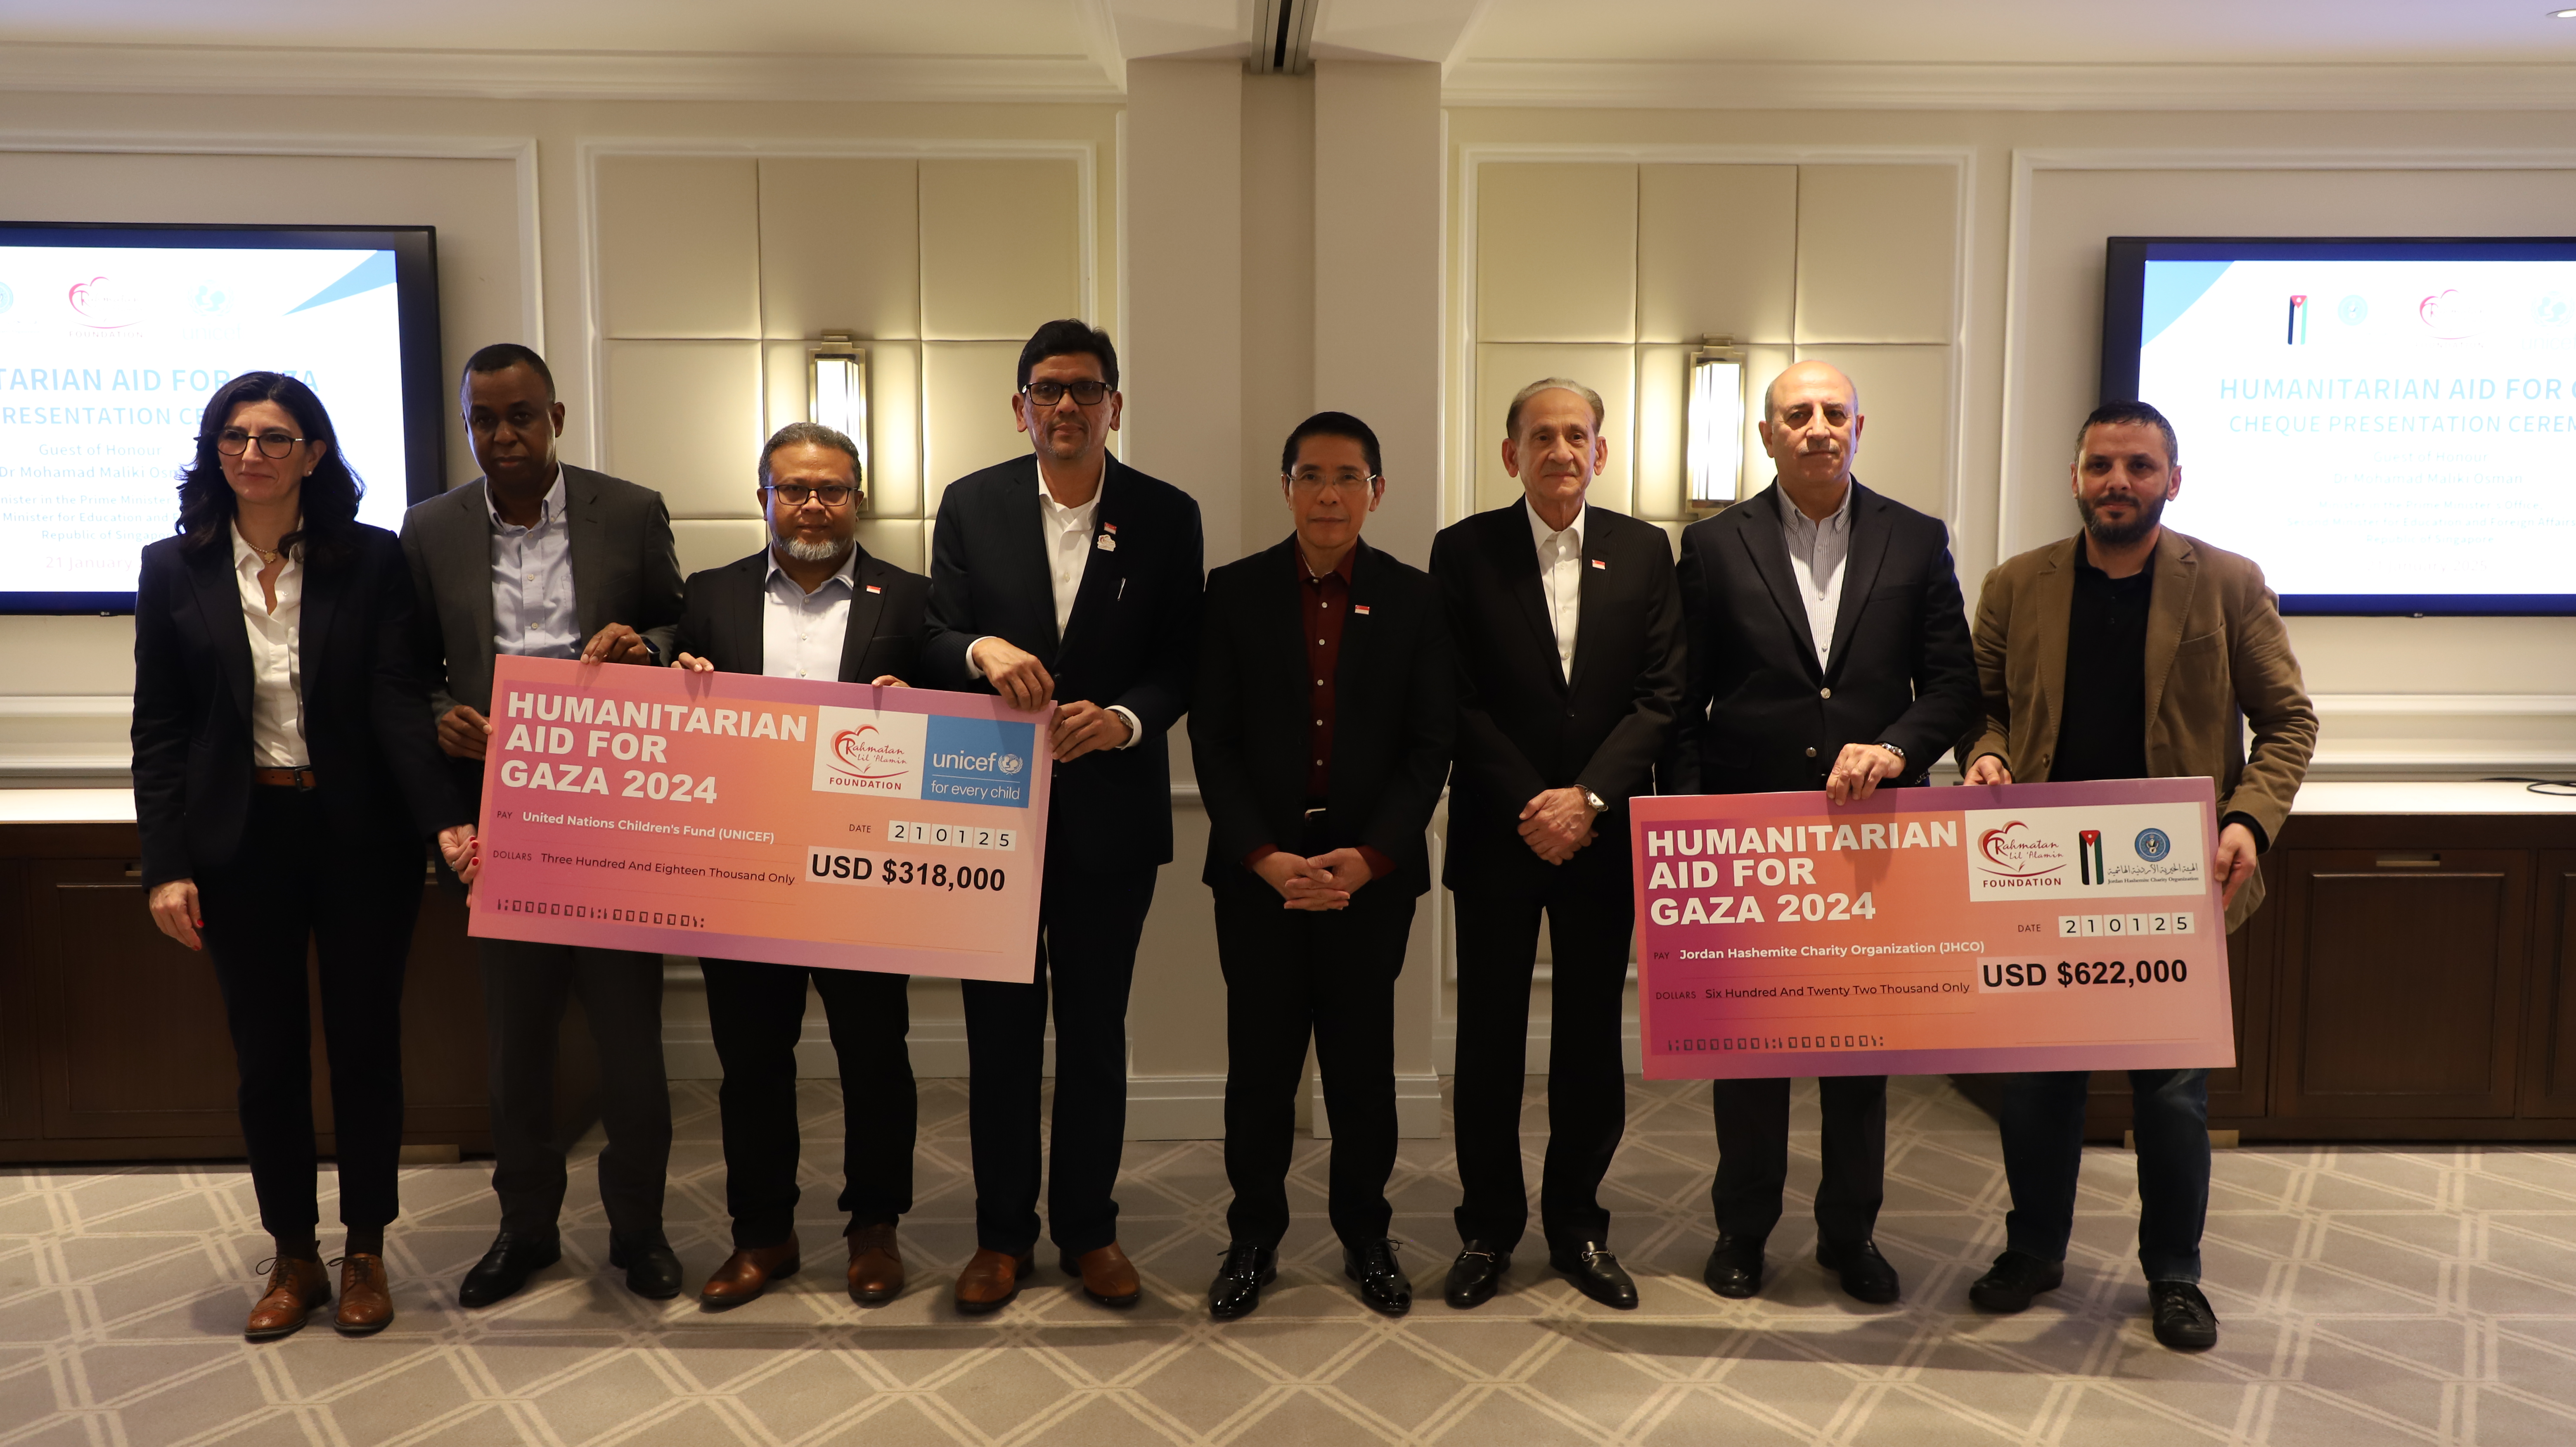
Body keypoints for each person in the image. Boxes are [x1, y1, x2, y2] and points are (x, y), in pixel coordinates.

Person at [1959, 399, 2315, 1351]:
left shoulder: (2228, 583)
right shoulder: (2016, 585)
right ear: (2076, 478)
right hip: (2041, 879)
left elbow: (2289, 722)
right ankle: (2034, 1250)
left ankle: (2175, 1275)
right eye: (2101, 466)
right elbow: (1983, 707)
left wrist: (2248, 820)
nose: (2118, 482)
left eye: (2140, 466)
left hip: (2170, 881)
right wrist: (1987, 755)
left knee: (2169, 1098)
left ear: (2173, 480)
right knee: (2039, 1090)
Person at [133, 372, 478, 1340]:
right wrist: (166, 863)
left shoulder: (369, 560)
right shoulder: (173, 569)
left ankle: (365, 1248)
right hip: (241, 841)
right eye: (234, 436)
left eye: (275, 437)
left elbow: (396, 698)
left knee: (366, 1046)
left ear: (313, 454)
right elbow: (160, 728)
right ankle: (293, 1254)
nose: (252, 453)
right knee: (266, 1058)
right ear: (215, 452)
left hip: (358, 836)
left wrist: (443, 820)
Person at [1666, 360, 1979, 1307]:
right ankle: (1743, 1230)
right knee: (1749, 1056)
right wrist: (1690, 828)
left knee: (1858, 1054)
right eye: (1796, 414)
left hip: (1872, 839)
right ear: (1767, 435)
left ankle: (1852, 1234)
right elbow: (1682, 704)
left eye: (1833, 412)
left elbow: (1954, 687)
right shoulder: (1712, 546)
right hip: (1747, 842)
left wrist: (1894, 747)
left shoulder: (1917, 538)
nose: (1817, 427)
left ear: (1858, 428)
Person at [921, 319, 1203, 1313]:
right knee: (999, 1037)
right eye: (1048, 390)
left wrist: (1124, 721)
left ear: (1114, 406)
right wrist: (981, 652)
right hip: (988, 810)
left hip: (1111, 815)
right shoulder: (971, 504)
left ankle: (1089, 1227)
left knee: (1093, 1033)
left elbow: (1183, 660)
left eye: (1086, 390)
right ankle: (1001, 1235)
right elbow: (934, 633)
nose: (1067, 407)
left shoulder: (1167, 514)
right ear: (1021, 408)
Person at [398, 343, 687, 1307]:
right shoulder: (429, 528)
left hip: (616, 817)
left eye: (520, 416)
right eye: (483, 420)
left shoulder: (630, 510)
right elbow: (406, 670)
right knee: (517, 1048)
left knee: (631, 1050)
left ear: (556, 417)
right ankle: (525, 1230)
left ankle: (639, 1231)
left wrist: (648, 648)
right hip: (502, 818)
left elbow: (685, 626)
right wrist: (442, 712)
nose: (502, 436)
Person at [1191, 413, 1454, 1321]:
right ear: (1286, 487)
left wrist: (1371, 859)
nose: (1330, 495)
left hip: (1368, 884)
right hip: (1258, 880)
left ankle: (1366, 1237)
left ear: (1376, 491)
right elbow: (1213, 741)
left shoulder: (1417, 599)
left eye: (1349, 477)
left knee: (1362, 1072)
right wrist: (1264, 857)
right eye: (1311, 476)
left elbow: (1430, 746)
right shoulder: (1232, 592)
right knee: (1259, 1073)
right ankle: (1253, 1239)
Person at [1433, 377, 1683, 1312]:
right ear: (1512, 455)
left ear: (1600, 452)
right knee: (1489, 1044)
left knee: (1589, 1041)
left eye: (1577, 435)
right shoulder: (1464, 551)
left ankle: (1579, 1224)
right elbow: (1453, 697)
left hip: (1603, 836)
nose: (1561, 451)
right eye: (1541, 437)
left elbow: (1661, 695)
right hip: (1500, 835)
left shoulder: (1645, 550)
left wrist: (1587, 799)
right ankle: (1489, 1229)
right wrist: (1534, 805)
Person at [665, 422, 929, 1308]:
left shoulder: (912, 598)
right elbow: (669, 713)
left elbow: (954, 714)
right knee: (751, 1063)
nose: (814, 505)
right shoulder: (709, 595)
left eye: (832, 490)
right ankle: (763, 1234)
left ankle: (875, 1227)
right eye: (794, 489)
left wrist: (919, 706)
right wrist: (678, 675)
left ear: (859, 499)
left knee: (875, 1058)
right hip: (744, 871)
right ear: (764, 499)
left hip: (863, 875)